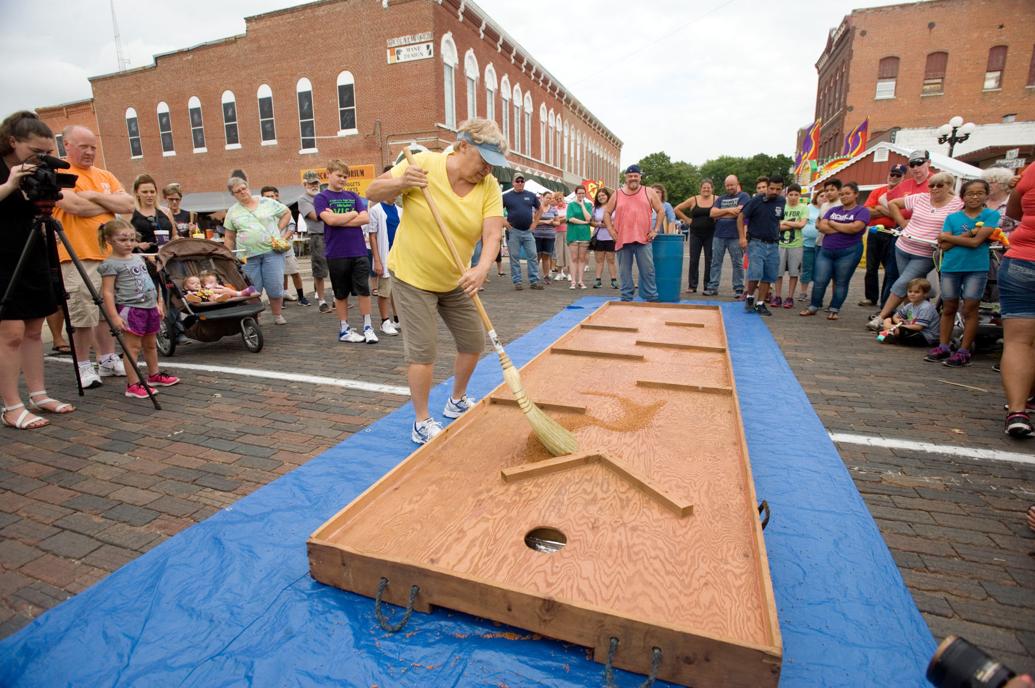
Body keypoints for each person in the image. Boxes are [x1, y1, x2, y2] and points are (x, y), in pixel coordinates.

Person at [365, 118, 506, 445]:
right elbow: (372, 191)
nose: (488, 170)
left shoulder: (489, 187)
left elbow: (492, 232)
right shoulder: (423, 163)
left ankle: (456, 400)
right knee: (423, 350)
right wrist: (401, 183)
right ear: (463, 146)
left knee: (474, 341)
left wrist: (482, 267)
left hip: (456, 277)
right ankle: (421, 420)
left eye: (493, 166)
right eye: (485, 161)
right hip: (413, 276)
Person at [0, 111, 76, 429]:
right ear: (13, 141)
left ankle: (38, 393)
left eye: (46, 152)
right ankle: (11, 405)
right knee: (11, 332)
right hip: (2, 256)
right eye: (35, 151)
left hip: (32, 250)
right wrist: (11, 183)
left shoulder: (38, 169)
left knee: (34, 327)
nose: (41, 158)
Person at [51, 125, 134, 389]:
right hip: (77, 255)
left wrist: (94, 196)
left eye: (93, 147)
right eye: (83, 146)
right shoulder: (59, 173)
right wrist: (107, 201)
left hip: (107, 256)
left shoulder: (105, 175)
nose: (89, 152)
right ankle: (83, 365)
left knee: (105, 313)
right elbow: (73, 205)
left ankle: (107, 357)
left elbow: (127, 205)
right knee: (81, 313)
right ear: (67, 146)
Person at [98, 218, 179, 399]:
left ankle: (154, 374)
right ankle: (133, 384)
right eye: (123, 239)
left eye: (132, 239)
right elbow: (108, 292)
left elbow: (150, 281)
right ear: (109, 240)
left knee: (151, 344)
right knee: (132, 347)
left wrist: (158, 302)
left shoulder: (138, 258)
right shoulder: (110, 264)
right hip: (131, 309)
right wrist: (114, 316)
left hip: (149, 307)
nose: (128, 244)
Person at [871, 172, 964, 329]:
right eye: (931, 185)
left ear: (949, 186)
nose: (934, 188)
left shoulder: (957, 204)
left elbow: (962, 223)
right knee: (914, 287)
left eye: (939, 185)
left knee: (903, 283)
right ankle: (917, 320)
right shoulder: (921, 197)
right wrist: (902, 222)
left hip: (926, 252)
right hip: (903, 246)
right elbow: (893, 203)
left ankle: (881, 317)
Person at [923, 179, 1000, 367]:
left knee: (970, 308)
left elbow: (976, 243)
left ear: (986, 195)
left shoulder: (991, 215)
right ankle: (943, 346)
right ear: (963, 196)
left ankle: (964, 350)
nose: (974, 197)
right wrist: (970, 233)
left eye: (979, 193)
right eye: (970, 193)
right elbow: (944, 246)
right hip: (951, 266)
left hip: (976, 267)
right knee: (948, 307)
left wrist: (950, 237)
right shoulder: (953, 217)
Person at [315, 159, 374, 343]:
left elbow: (365, 218)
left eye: (345, 176)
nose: (342, 179)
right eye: (339, 175)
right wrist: (352, 214)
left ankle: (368, 326)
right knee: (341, 293)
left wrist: (339, 218)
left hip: (358, 251)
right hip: (336, 253)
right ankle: (344, 329)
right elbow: (329, 221)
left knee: (364, 290)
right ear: (329, 174)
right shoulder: (321, 198)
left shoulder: (353, 196)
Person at [998, 162, 1035, 438]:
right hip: (1022, 260)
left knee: (1018, 341)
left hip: (1022, 259)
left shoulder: (1032, 170)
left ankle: (1018, 410)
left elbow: (1014, 211)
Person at [222, 176, 290, 325]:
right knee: (252, 288)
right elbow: (229, 237)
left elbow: (286, 213)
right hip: (247, 256)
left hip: (272, 251)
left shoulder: (266, 202)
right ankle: (256, 316)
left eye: (243, 188)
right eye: (237, 191)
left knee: (275, 285)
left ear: (248, 187)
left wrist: (277, 230)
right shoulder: (232, 212)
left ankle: (277, 314)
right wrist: (228, 256)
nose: (242, 192)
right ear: (233, 194)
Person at [801, 182, 870, 320]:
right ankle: (814, 306)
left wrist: (833, 224)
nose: (844, 196)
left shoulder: (862, 211)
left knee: (841, 281)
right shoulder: (833, 210)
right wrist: (844, 227)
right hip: (826, 250)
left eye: (847, 193)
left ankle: (834, 309)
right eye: (842, 194)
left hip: (849, 252)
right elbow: (822, 227)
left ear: (856, 194)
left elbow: (855, 228)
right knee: (819, 279)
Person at [602, 164, 663, 302]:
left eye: (635, 176)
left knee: (648, 271)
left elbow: (661, 210)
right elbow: (607, 212)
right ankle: (626, 298)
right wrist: (611, 230)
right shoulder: (617, 193)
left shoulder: (649, 192)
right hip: (622, 239)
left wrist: (656, 229)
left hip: (644, 239)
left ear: (640, 177)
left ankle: (651, 298)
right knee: (624, 273)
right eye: (630, 176)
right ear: (626, 177)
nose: (633, 178)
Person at [738, 176, 786, 315]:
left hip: (773, 243)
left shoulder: (782, 201)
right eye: (772, 188)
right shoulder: (755, 201)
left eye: (778, 189)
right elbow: (741, 217)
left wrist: (776, 235)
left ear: (782, 189)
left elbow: (777, 220)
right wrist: (742, 237)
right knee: (755, 272)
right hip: (756, 242)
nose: (774, 191)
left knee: (769, 275)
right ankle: (750, 297)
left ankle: (760, 303)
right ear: (767, 187)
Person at [860, 164, 906, 308]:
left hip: (893, 232)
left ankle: (885, 299)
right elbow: (868, 211)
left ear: (903, 177)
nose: (893, 177)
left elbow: (902, 216)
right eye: (892, 174)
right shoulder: (877, 191)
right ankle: (870, 297)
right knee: (871, 266)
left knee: (889, 268)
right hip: (875, 231)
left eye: (898, 175)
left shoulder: (904, 194)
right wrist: (891, 211)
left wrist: (880, 208)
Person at [260, 185, 310, 305]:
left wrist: (282, 239)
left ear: (276, 196)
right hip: (268, 249)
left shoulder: (283, 209)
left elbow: (292, 226)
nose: (270, 198)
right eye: (267, 197)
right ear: (262, 198)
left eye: (272, 196)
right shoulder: (259, 212)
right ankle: (280, 298)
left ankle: (301, 297)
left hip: (285, 247)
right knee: (277, 275)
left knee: (294, 271)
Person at [365, 174, 402, 335]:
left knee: (397, 291)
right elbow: (372, 235)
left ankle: (397, 319)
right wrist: (377, 261)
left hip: (399, 257)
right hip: (385, 255)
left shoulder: (400, 210)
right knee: (384, 291)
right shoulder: (376, 210)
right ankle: (384, 321)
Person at [705, 175, 749, 297]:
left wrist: (721, 213)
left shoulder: (744, 196)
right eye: (727, 185)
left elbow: (740, 213)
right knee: (715, 262)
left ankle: (739, 288)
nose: (729, 187)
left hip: (735, 235)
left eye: (732, 185)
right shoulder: (720, 198)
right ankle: (713, 287)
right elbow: (712, 213)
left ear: (737, 184)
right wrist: (731, 211)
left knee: (737, 263)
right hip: (719, 235)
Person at [674, 178, 715, 294]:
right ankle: (692, 286)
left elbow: (722, 211)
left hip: (711, 234)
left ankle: (708, 286)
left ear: (712, 188)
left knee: (710, 260)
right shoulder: (694, 199)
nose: (706, 189)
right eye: (704, 187)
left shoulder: (717, 199)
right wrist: (687, 219)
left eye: (708, 187)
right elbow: (677, 209)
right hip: (696, 234)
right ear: (700, 189)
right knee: (693, 260)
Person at [298, 171, 330, 312]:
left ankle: (337, 299)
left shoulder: (324, 196)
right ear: (305, 184)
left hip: (332, 234)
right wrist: (330, 212)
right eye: (311, 183)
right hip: (317, 236)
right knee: (319, 270)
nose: (314, 185)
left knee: (336, 267)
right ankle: (322, 300)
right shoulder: (303, 199)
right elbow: (316, 216)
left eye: (316, 182)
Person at [502, 175, 541, 289]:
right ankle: (517, 282)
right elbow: (496, 209)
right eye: (517, 181)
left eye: (521, 181)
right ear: (513, 183)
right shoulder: (506, 196)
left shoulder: (531, 195)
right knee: (514, 257)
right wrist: (504, 222)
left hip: (528, 231)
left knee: (533, 255)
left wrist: (535, 223)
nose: (519, 183)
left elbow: (540, 209)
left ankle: (534, 281)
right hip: (513, 231)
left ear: (524, 182)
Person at [772, 183, 808, 308]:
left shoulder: (803, 207)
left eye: (796, 195)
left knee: (794, 272)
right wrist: (793, 223)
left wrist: (786, 222)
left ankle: (790, 297)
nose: (793, 197)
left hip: (796, 244)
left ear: (799, 195)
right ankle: (777, 296)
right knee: (778, 272)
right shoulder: (782, 206)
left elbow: (802, 224)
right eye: (791, 194)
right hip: (781, 243)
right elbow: (776, 226)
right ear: (787, 195)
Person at [877, 278, 939, 347]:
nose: (912, 294)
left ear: (925, 294)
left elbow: (918, 327)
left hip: (925, 336)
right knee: (888, 319)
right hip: (911, 328)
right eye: (910, 291)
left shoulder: (926, 307)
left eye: (916, 292)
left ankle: (889, 334)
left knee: (898, 331)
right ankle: (889, 334)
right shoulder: (910, 305)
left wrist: (894, 326)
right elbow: (895, 316)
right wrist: (897, 322)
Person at [130, 174, 175, 253]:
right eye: (145, 192)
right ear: (137, 193)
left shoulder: (166, 212)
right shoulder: (130, 213)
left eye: (152, 192)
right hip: (142, 259)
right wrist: (137, 245)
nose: (149, 195)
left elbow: (174, 236)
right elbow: (120, 240)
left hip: (166, 257)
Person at [798, 190, 824, 301]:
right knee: (806, 268)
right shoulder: (808, 208)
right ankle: (803, 292)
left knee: (820, 270)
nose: (824, 198)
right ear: (816, 197)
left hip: (822, 244)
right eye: (821, 195)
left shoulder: (829, 209)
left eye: (825, 196)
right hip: (807, 244)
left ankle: (817, 294)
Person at [565, 186, 593, 289]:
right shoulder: (571, 205)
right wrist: (584, 222)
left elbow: (589, 218)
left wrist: (582, 206)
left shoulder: (588, 205)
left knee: (582, 258)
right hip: (573, 234)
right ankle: (573, 281)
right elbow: (571, 219)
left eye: (583, 193)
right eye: (579, 193)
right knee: (573, 258)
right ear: (576, 193)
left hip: (584, 234)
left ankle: (580, 281)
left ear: (585, 194)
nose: (581, 195)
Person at [590, 187, 617, 289]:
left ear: (608, 196)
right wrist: (598, 224)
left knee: (611, 260)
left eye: (603, 195)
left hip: (611, 237)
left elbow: (619, 221)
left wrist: (611, 224)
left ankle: (613, 281)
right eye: (599, 196)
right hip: (599, 237)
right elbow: (591, 222)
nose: (601, 197)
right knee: (599, 260)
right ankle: (598, 280)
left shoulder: (614, 207)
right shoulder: (595, 209)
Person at [532, 193, 559, 286]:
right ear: (542, 197)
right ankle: (534, 276)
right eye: (547, 198)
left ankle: (546, 276)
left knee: (546, 257)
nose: (549, 200)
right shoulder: (536, 208)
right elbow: (533, 221)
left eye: (550, 198)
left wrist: (553, 223)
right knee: (537, 256)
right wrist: (546, 221)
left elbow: (558, 222)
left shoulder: (553, 209)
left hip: (550, 235)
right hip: (537, 235)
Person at [983, 167, 1019, 235]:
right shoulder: (980, 201)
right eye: (986, 182)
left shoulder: (1013, 202)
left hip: (1004, 243)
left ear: (1004, 184)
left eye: (992, 182)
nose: (987, 185)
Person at [181, 273, 256, 304]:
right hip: (198, 300)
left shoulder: (204, 289)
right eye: (192, 283)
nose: (196, 285)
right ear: (186, 286)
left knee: (213, 294)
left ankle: (241, 293)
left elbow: (210, 291)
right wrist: (190, 296)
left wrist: (221, 289)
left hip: (208, 297)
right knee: (189, 297)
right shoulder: (187, 291)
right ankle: (195, 299)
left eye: (198, 283)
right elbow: (185, 297)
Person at [552, 191, 570, 282]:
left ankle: (570, 273)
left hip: (568, 231)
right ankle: (559, 272)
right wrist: (563, 219)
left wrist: (560, 219)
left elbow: (569, 218)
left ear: (563, 198)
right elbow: (554, 220)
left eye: (560, 198)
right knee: (559, 252)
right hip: (558, 232)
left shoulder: (568, 207)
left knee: (568, 252)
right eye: (557, 199)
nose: (559, 200)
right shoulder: (554, 208)